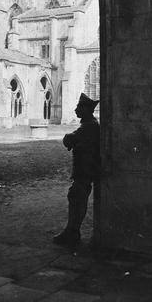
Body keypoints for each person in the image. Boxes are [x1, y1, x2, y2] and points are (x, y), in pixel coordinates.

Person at [53, 93, 100, 250]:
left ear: (86, 109)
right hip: (84, 170)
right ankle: (72, 231)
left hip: (84, 171)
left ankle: (72, 232)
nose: (75, 110)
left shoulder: (89, 126)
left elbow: (69, 139)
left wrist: (71, 140)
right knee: (76, 199)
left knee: (77, 200)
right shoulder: (89, 125)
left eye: (79, 107)